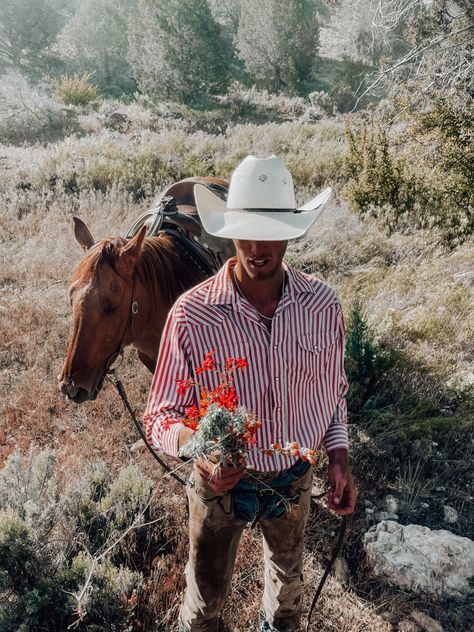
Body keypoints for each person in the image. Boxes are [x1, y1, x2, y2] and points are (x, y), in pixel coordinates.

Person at [143, 155, 358, 632]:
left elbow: (332, 391)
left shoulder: (323, 305)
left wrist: (338, 456)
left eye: (271, 231)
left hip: (294, 477)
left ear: (291, 232)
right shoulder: (193, 315)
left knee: (286, 606)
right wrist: (196, 450)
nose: (258, 247)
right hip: (221, 488)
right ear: (227, 230)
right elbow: (160, 415)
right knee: (203, 610)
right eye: (245, 230)